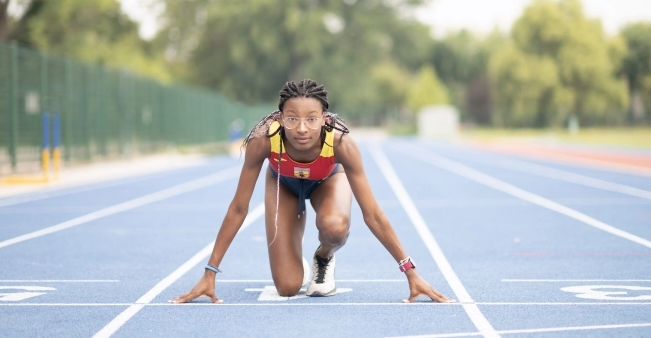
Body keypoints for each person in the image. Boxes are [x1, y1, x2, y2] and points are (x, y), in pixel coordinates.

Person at [170, 79, 452, 303]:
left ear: (324, 118)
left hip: (326, 182)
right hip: (283, 185)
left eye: (311, 119)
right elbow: (238, 208)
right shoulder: (263, 141)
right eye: (292, 119)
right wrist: (211, 272)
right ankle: (294, 262)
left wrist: (410, 273)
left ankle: (324, 256)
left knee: (334, 227)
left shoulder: (341, 144)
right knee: (288, 287)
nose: (302, 129)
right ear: (280, 117)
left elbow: (373, 214)